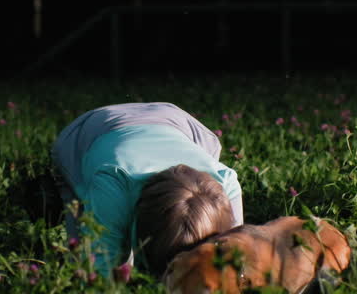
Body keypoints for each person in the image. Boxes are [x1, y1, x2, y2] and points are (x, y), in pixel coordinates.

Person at [51, 102, 244, 275]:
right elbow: (101, 266)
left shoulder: (226, 182)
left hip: (178, 123)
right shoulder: (114, 184)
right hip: (88, 132)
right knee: (80, 253)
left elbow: (236, 262)